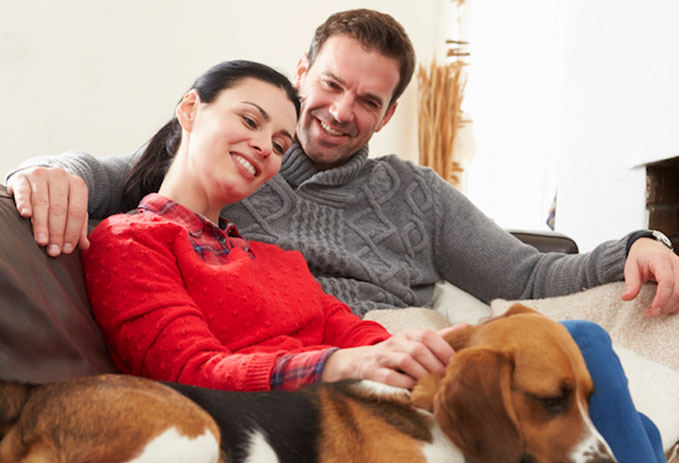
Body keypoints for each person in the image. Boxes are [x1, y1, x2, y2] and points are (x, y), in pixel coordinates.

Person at [5, 9, 679, 463]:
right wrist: (45, 171)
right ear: (303, 73)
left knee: (622, 413)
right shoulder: (165, 216)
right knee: (603, 393)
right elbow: (121, 178)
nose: (338, 111)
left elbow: (522, 274)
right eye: (330, 85)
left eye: (367, 100)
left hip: (373, 370)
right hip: (315, 402)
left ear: (388, 115)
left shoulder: (330, 230)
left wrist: (635, 244)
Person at [81, 59, 458, 392]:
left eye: (280, 146)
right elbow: (189, 372)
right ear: (191, 109)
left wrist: (410, 356)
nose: (264, 147)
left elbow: (352, 331)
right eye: (250, 121)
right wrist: (340, 364)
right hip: (262, 430)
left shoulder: (276, 260)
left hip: (354, 409)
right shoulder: (131, 242)